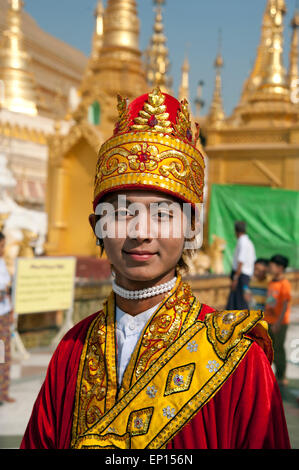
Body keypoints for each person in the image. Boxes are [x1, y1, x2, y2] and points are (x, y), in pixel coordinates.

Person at [21, 88, 290, 449]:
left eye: (162, 215)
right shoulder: (71, 351)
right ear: (96, 225)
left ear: (191, 225)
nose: (141, 232)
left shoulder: (238, 359)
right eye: (122, 213)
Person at [264, 255, 291, 386]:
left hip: (279, 323)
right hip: (268, 320)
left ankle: (281, 376)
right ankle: (268, 373)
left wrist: (278, 323)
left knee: (278, 348)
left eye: (272, 265)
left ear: (280, 268)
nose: (269, 268)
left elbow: (285, 305)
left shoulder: (284, 284)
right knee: (269, 348)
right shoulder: (271, 282)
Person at [226, 221, 256, 310]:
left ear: (236, 231)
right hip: (245, 276)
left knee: (239, 303)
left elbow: (241, 261)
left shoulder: (242, 242)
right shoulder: (249, 242)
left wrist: (236, 278)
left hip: (241, 276)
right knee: (240, 300)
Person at [0, 231, 15, 405]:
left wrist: (10, 312)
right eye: (1, 246)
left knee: (3, 356)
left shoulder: (2, 263)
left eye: (4, 245)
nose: (3, 249)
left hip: (3, 316)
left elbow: (6, 288)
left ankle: (3, 393)